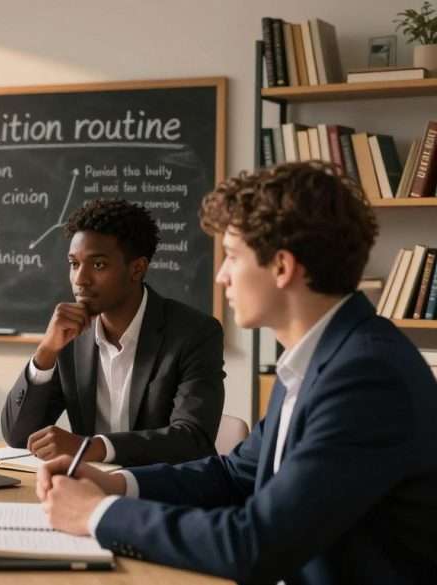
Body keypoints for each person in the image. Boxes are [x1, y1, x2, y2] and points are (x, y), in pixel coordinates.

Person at [37, 162, 437, 584]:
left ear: (282, 267)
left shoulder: (365, 377)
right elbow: (233, 474)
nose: (221, 275)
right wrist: (114, 483)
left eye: (231, 256)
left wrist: (97, 513)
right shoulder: (316, 358)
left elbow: (255, 544)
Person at [1, 199, 225, 466]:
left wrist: (92, 447)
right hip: (88, 491)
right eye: (74, 264)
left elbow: (193, 439)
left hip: (160, 494)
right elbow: (17, 436)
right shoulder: (70, 336)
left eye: (98, 265)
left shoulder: (194, 333)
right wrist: (45, 353)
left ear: (137, 269)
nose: (80, 280)